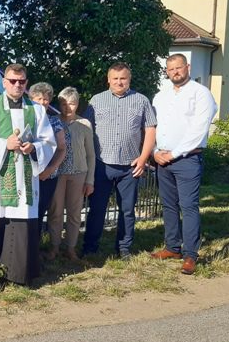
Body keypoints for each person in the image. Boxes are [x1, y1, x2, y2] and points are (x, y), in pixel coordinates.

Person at [0, 64, 56, 286]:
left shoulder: (37, 110)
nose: (17, 85)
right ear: (4, 82)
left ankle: (19, 275)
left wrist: (34, 147)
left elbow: (49, 142)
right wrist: (4, 144)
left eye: (21, 81)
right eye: (12, 81)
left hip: (23, 178)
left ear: (26, 83)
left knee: (20, 224)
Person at [151, 54, 217, 275]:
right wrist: (154, 152)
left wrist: (174, 154)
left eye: (178, 68)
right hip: (162, 159)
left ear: (187, 67)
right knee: (168, 205)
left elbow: (199, 130)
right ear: (166, 72)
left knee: (188, 206)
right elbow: (153, 127)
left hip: (187, 159)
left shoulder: (201, 93)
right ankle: (172, 247)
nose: (175, 72)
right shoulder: (161, 96)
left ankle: (190, 255)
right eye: (170, 69)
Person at [82, 62, 157, 260]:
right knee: (97, 209)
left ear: (129, 79)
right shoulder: (96, 100)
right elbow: (86, 129)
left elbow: (150, 130)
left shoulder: (141, 100)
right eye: (115, 79)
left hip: (130, 166)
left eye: (123, 78)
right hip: (101, 164)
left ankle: (124, 248)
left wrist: (143, 158)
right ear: (108, 80)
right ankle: (90, 247)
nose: (119, 82)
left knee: (127, 210)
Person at [47, 87, 95, 261]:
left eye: (72, 103)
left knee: (74, 213)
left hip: (78, 173)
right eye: (64, 104)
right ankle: (54, 246)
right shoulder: (52, 122)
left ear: (77, 104)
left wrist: (90, 180)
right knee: (55, 211)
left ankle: (71, 248)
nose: (68, 107)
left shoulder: (84, 124)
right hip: (57, 174)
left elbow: (91, 154)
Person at [28, 82, 69, 239]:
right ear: (31, 99)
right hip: (26, 175)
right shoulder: (24, 118)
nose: (42, 102)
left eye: (45, 99)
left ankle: (35, 248)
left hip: (46, 177)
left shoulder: (54, 121)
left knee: (38, 214)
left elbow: (62, 149)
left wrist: (49, 170)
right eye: (38, 98)